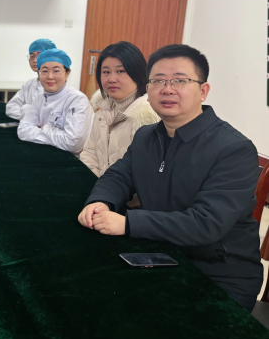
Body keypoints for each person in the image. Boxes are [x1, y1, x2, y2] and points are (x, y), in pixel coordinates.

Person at [78, 44, 263, 312]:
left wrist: (127, 223)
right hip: (158, 253)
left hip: (217, 273)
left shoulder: (233, 149)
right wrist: (101, 201)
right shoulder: (146, 136)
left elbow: (205, 223)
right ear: (148, 88)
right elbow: (119, 175)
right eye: (158, 81)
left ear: (203, 91)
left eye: (180, 80)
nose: (167, 89)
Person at [81, 41, 159, 177]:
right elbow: (89, 154)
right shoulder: (102, 111)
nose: (111, 79)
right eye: (106, 72)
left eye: (120, 71)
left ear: (137, 73)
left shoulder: (148, 116)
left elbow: (145, 173)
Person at [17, 48, 94, 154]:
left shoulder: (77, 100)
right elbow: (23, 130)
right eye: (44, 71)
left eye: (56, 71)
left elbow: (73, 144)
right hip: (48, 153)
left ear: (67, 74)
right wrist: (55, 134)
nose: (50, 76)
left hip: (77, 159)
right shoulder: (40, 97)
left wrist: (46, 128)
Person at [6, 38, 57, 120]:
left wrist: (24, 108)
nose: (35, 60)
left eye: (40, 55)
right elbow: (10, 108)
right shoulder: (30, 84)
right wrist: (29, 112)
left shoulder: (55, 84)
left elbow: (47, 115)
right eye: (32, 56)